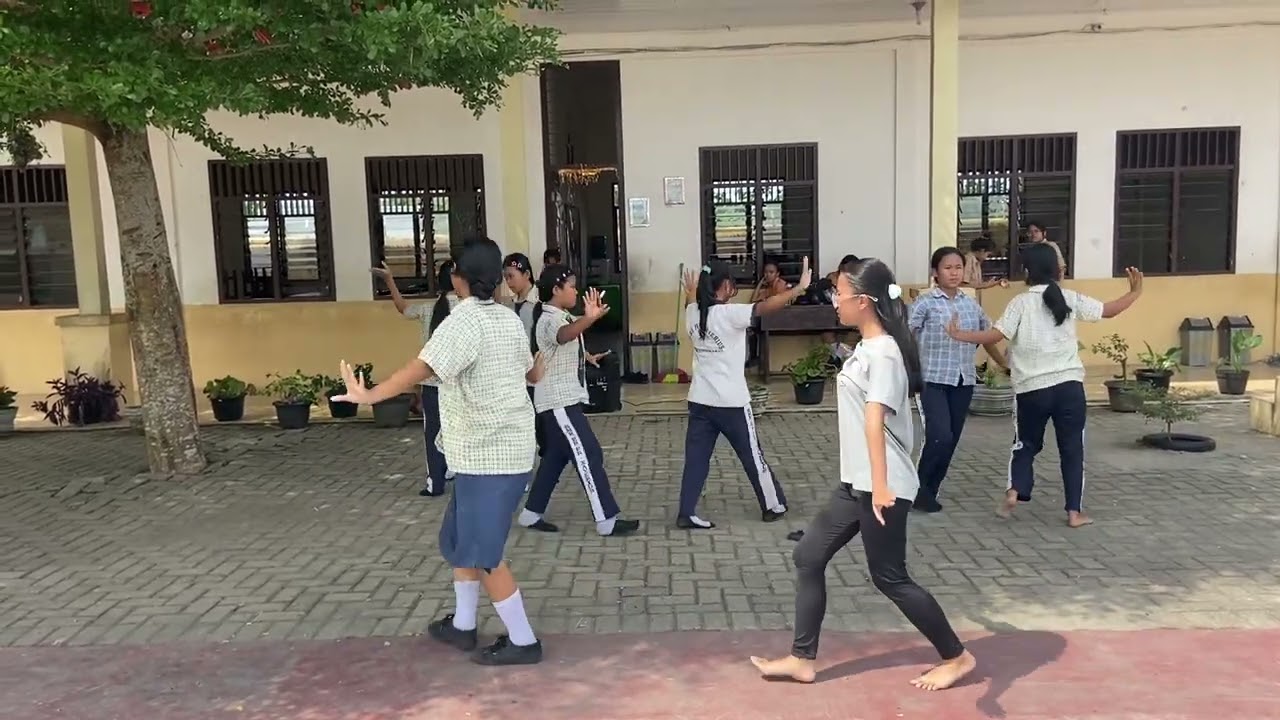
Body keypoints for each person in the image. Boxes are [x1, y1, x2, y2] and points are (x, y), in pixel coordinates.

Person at [749, 258, 976, 691]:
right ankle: (802, 659)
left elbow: (874, 422)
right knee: (809, 556)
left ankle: (957, 656)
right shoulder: (867, 349)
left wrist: (880, 488)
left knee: (889, 576)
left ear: (865, 302)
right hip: (857, 483)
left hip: (881, 486)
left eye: (840, 294)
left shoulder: (886, 353)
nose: (834, 301)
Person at [335, 236, 548, 666]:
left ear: (458, 278)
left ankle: (524, 641)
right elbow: (532, 372)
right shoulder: (506, 319)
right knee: (460, 543)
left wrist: (371, 394)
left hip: (493, 456)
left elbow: (422, 367)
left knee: (486, 555)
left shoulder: (464, 320)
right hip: (489, 453)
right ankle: (464, 626)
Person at [947, 243, 1143, 528]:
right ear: (1057, 269)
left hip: (1031, 389)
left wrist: (959, 334)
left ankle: (1016, 490)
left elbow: (993, 335)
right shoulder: (1068, 297)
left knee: (1025, 445)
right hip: (1069, 387)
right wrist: (1135, 292)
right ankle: (1074, 513)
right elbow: (1108, 310)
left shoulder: (1020, 303)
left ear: (1026, 272)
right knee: (1072, 449)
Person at [676, 258, 813, 530]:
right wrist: (798, 288)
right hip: (732, 403)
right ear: (726, 285)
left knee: (696, 460)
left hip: (700, 401)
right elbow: (764, 307)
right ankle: (773, 505)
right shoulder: (730, 314)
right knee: (752, 455)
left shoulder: (692, 313)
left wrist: (691, 292)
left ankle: (686, 512)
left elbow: (693, 302)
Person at [517, 264, 641, 537]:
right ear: (556, 290)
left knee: (555, 458)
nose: (576, 291)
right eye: (571, 286)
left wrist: (587, 356)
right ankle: (606, 519)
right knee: (589, 453)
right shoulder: (550, 320)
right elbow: (564, 336)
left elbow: (564, 345)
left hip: (561, 401)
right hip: (557, 403)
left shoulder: (561, 315)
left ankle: (530, 513)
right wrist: (590, 318)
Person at [909, 247, 1008, 513]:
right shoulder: (925, 303)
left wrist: (1004, 363)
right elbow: (905, 336)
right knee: (939, 435)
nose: (953, 273)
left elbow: (988, 337)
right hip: (932, 380)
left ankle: (929, 490)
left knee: (951, 438)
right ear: (935, 273)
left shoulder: (970, 304)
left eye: (958, 268)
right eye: (947, 268)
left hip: (963, 381)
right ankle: (919, 488)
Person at [371, 259, 458, 497]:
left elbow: (402, 307)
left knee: (433, 432)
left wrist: (389, 280)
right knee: (458, 430)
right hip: (457, 384)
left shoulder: (428, 309)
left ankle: (435, 482)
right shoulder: (465, 308)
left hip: (431, 385)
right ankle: (457, 470)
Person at [504, 253, 546, 458]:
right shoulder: (510, 305)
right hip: (518, 376)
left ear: (527, 274)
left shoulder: (541, 302)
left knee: (543, 426)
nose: (508, 282)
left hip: (540, 374)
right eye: (505, 277)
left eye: (511, 276)